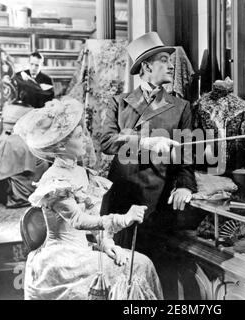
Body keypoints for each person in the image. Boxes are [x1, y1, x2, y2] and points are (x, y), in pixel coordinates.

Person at [14, 98, 163, 300]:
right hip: (61, 259)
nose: (86, 138)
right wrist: (123, 219)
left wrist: (109, 246)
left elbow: (95, 221)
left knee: (141, 262)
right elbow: (78, 220)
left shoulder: (84, 174)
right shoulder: (55, 180)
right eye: (79, 135)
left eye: (84, 133)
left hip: (84, 251)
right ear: (60, 146)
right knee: (136, 266)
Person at [100, 32, 197, 249]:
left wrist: (185, 186)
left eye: (170, 61)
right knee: (118, 261)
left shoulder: (181, 107)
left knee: (152, 264)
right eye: (164, 60)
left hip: (157, 198)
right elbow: (106, 142)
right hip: (122, 194)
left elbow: (186, 154)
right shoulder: (119, 103)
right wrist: (144, 142)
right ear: (146, 67)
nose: (171, 66)